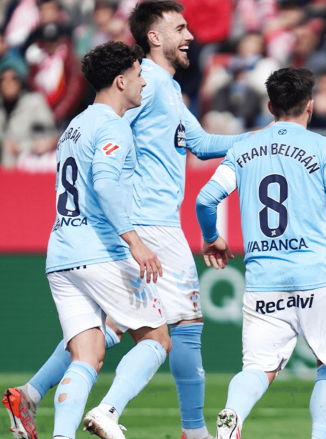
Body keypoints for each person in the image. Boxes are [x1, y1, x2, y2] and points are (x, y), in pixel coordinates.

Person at [3, 2, 254, 439]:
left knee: (103, 335)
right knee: (178, 327)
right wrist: (132, 235)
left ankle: (35, 393)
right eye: (179, 27)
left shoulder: (164, 88)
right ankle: (179, 428)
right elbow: (111, 140)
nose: (190, 34)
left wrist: (265, 139)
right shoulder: (147, 85)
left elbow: (199, 141)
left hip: (91, 237)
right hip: (144, 223)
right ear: (154, 38)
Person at [195, 67, 326, 439]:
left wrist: (211, 236)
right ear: (310, 107)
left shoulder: (244, 147)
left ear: (270, 105)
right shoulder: (325, 147)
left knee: (257, 368)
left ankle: (232, 414)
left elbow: (206, 198)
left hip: (264, 280)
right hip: (317, 276)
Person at [2, 40, 172, 439]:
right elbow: (105, 183)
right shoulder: (113, 126)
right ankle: (108, 412)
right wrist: (134, 241)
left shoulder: (75, 126)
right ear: (119, 80)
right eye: (137, 75)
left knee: (87, 356)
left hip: (62, 253)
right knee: (157, 339)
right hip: (101, 252)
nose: (143, 83)